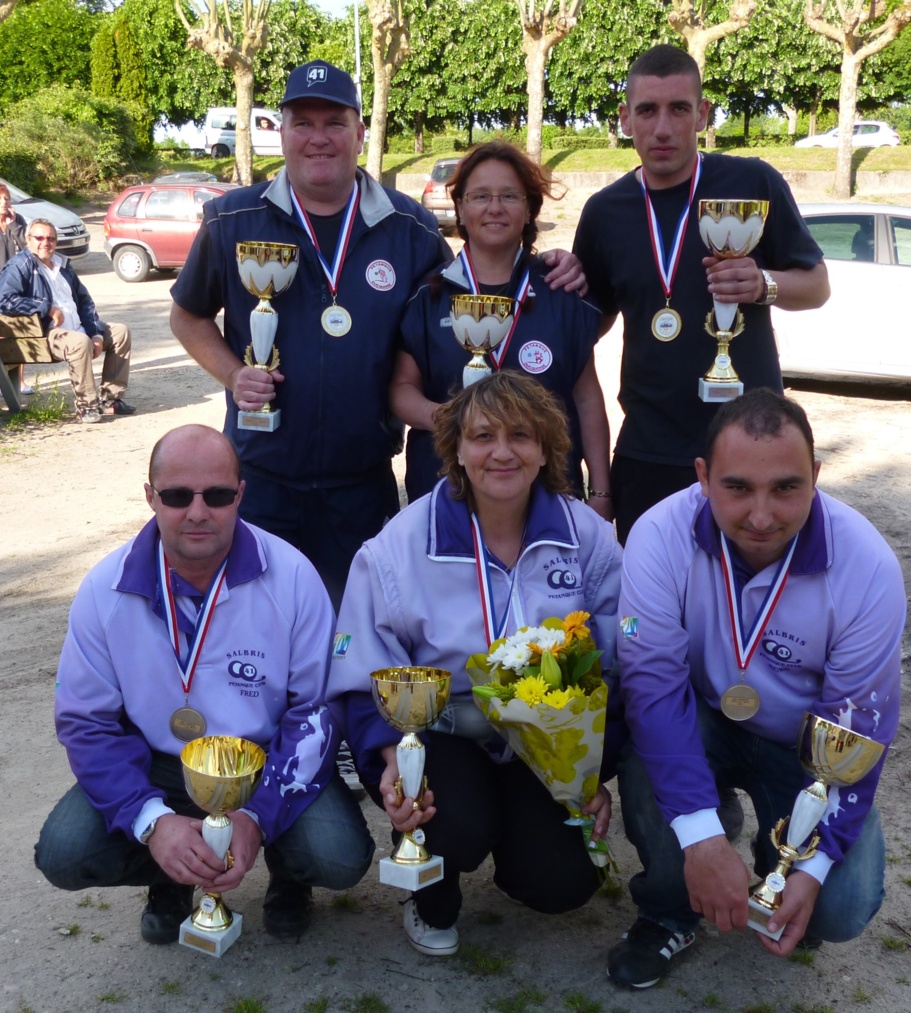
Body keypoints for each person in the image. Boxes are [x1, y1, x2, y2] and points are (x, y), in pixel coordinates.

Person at [170, 60, 583, 612]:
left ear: (360, 132)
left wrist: (548, 263)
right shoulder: (231, 218)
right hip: (262, 471)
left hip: (361, 482)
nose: (319, 138)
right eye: (303, 122)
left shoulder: (410, 229)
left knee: (354, 633)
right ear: (283, 132)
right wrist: (232, 373)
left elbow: (474, 294)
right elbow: (187, 315)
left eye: (335, 123)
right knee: (256, 623)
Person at [608, 388, 903, 990]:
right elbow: (654, 691)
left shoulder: (867, 564)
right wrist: (699, 837)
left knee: (838, 909)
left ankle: (781, 873)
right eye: (737, 487)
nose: (761, 515)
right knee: (650, 766)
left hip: (804, 744)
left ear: (816, 476)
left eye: (787, 488)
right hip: (702, 720)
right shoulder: (658, 535)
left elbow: (855, 728)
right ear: (703, 476)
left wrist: (814, 867)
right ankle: (669, 909)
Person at [34, 425, 374, 944]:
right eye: (176, 496)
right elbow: (87, 722)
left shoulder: (292, 577)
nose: (197, 512)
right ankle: (171, 874)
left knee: (338, 855)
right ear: (150, 496)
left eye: (216, 495)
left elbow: (318, 711)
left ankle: (288, 879)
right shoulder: (104, 589)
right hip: (156, 761)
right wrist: (153, 823)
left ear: (240, 494)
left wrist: (258, 818)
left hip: (263, 761)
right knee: (64, 852)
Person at [328, 371, 622, 957]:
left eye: (521, 435)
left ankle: (518, 847)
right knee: (454, 823)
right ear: (456, 449)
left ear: (546, 448)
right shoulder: (399, 546)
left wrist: (589, 771)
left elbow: (620, 664)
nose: (502, 452)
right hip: (441, 735)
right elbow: (362, 674)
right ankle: (431, 890)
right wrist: (392, 762)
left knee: (564, 882)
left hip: (546, 742)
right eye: (483, 436)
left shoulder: (587, 539)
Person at [573, 44, 830, 544]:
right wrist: (557, 274)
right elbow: (591, 320)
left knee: (749, 600)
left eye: (679, 109)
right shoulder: (605, 211)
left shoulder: (752, 181)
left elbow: (817, 285)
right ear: (626, 118)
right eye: (647, 110)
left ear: (703, 114)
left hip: (751, 446)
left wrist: (763, 283)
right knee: (643, 613)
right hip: (649, 446)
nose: (663, 128)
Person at [391, 140, 612, 518]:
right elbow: (400, 390)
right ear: (460, 207)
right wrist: (447, 417)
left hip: (548, 492)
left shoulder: (561, 291)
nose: (494, 208)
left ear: (528, 209)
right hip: (446, 491)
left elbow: (588, 398)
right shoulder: (427, 295)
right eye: (480, 196)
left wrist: (602, 493)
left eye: (509, 196)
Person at [0, 219, 134, 423]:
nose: (46, 242)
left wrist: (95, 333)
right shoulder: (19, 266)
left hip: (78, 329)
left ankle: (109, 399)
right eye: (40, 237)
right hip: (47, 333)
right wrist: (45, 308)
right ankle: (86, 406)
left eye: (51, 238)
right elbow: (5, 300)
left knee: (120, 332)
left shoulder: (63, 265)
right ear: (28, 240)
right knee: (80, 342)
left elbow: (85, 301)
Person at [0, 183, 30, 389]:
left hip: (19, 288)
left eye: (7, 198)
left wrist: (13, 226)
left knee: (19, 334)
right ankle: (6, 384)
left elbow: (30, 249)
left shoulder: (18, 221)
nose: (4, 203)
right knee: (3, 336)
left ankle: (19, 382)